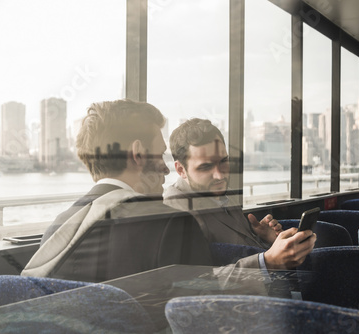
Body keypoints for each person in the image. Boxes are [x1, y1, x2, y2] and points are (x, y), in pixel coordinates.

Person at [21, 100, 267, 283]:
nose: (165, 168)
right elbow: (200, 310)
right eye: (160, 154)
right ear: (138, 154)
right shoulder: (170, 224)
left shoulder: (56, 229)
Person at [164, 118, 316, 270]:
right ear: (181, 170)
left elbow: (239, 251)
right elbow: (197, 279)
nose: (219, 175)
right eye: (205, 167)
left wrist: (269, 240)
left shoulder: (222, 193)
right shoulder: (176, 208)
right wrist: (268, 261)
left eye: (224, 161)